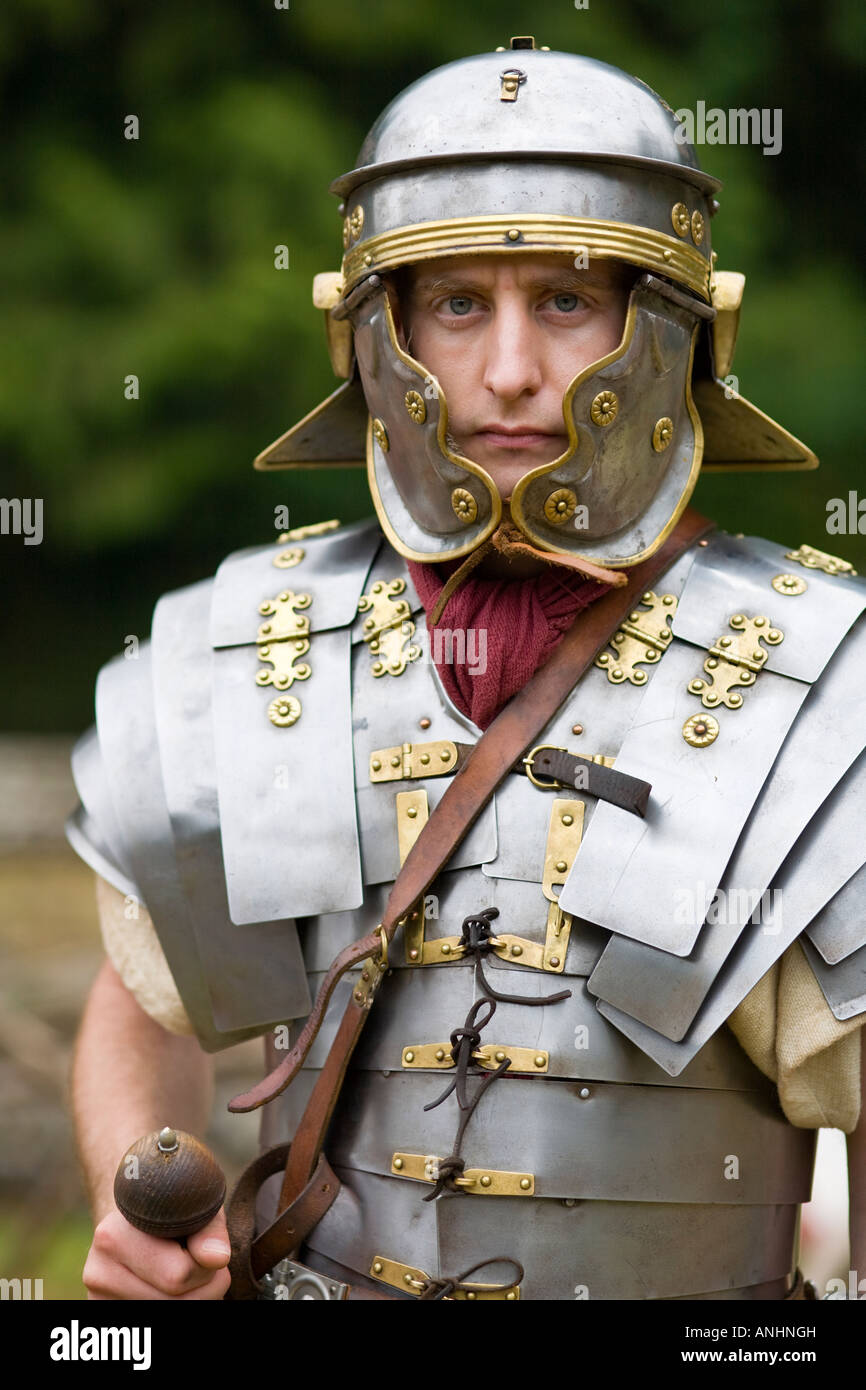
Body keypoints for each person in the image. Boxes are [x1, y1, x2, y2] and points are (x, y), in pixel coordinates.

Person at [70, 39, 866, 1301]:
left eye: (565, 300)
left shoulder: (826, 678)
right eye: (455, 305)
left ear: (669, 331)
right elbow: (146, 990)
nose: (506, 373)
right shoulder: (250, 647)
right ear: (374, 338)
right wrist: (149, 1218)